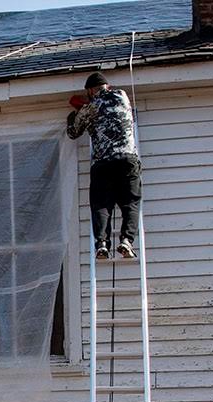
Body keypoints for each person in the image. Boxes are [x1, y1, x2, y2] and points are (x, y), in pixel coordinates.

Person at [66, 71, 142, 261]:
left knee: (101, 205)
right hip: (127, 159)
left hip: (103, 163)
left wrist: (73, 115)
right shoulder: (122, 96)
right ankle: (126, 241)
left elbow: (73, 132)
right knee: (130, 202)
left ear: (91, 90)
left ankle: (102, 244)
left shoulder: (90, 107)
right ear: (107, 86)